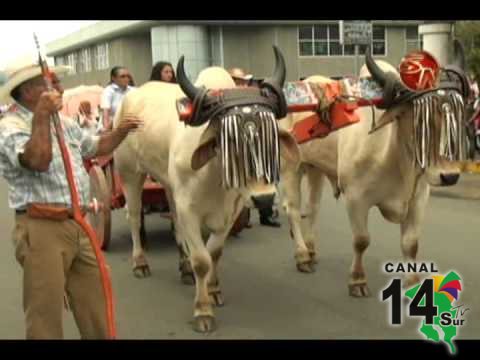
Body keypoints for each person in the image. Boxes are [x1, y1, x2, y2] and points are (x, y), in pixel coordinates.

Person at [0, 59, 142, 339]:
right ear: (29, 91)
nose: (60, 88)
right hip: (41, 228)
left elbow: (96, 146)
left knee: (96, 305)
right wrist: (41, 116)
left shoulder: (64, 122)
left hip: (78, 222)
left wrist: (122, 131)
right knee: (45, 316)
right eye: (51, 83)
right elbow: (37, 160)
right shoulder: (10, 126)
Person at [227, 67, 281, 228]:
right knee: (241, 177)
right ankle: (241, 216)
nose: (242, 84)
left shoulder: (257, 95)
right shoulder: (224, 97)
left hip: (259, 143)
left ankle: (267, 214)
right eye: (238, 81)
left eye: (243, 81)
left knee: (268, 173)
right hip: (235, 145)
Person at [100, 66, 134, 131]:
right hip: (114, 128)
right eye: (122, 76)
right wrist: (107, 131)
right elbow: (105, 113)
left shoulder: (133, 91)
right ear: (113, 78)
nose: (126, 79)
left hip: (131, 127)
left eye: (128, 76)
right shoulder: (108, 91)